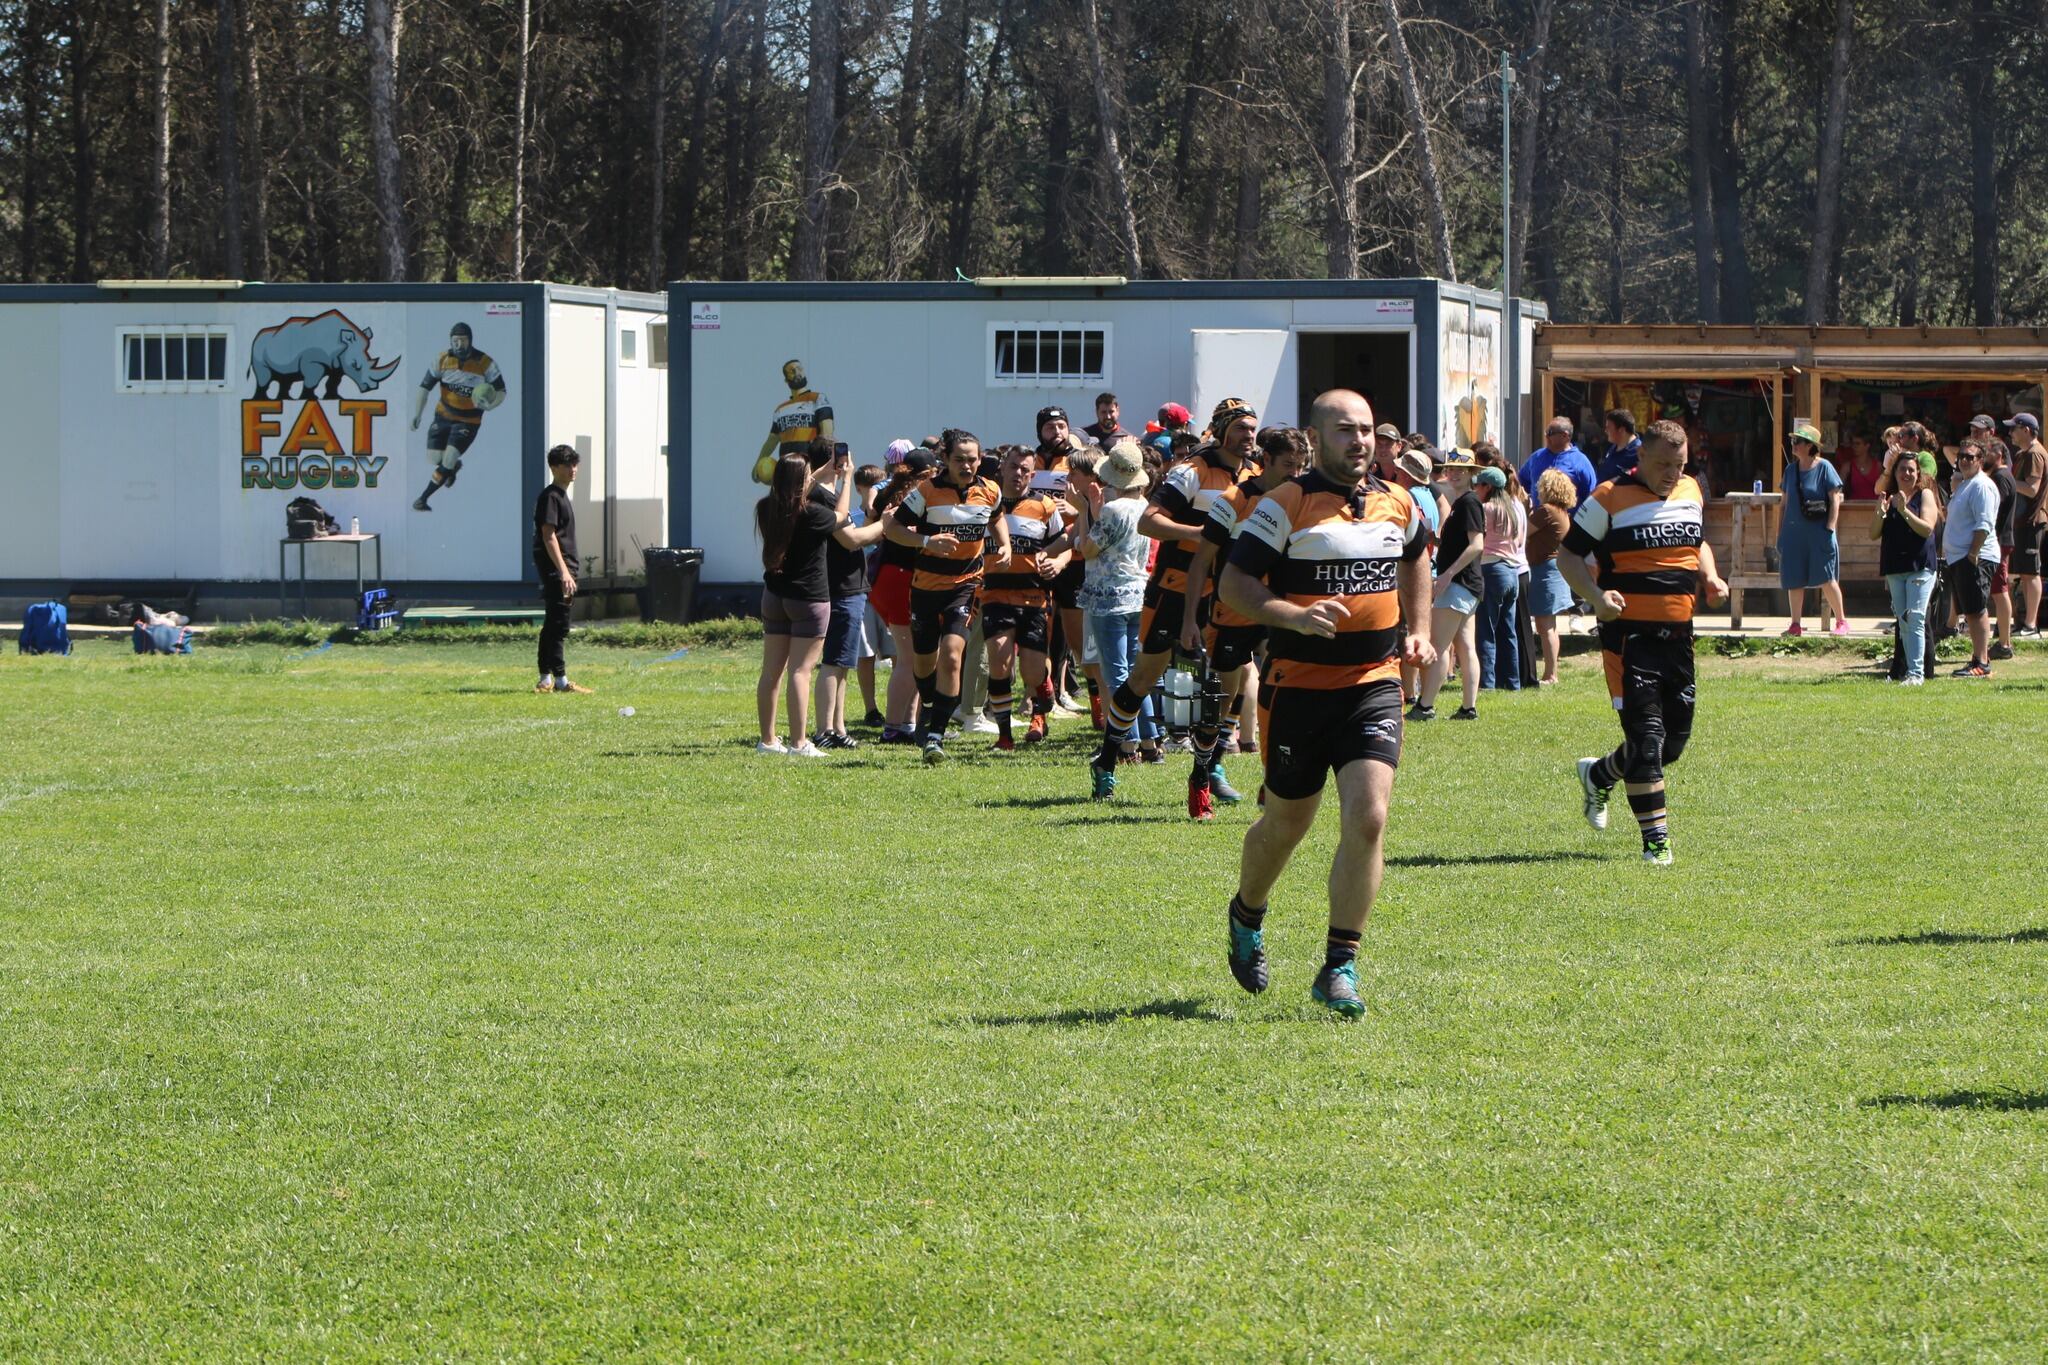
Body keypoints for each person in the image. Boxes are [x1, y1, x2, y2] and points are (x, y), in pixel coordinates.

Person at [1216, 388, 1434, 1019]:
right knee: (1288, 823)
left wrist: (1417, 627)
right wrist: (1293, 614)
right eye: (1346, 429)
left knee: (1369, 818)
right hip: (1298, 689)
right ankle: (1246, 911)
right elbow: (1235, 583)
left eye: (1366, 428)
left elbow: (1418, 557)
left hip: (1375, 684)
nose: (1360, 440)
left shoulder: (1398, 500)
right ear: (1317, 437)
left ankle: (1339, 966)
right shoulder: (1285, 503)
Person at [1560, 419, 1726, 866]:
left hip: (1679, 639)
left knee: (1670, 746)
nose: (1673, 473)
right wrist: (1595, 597)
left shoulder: (1691, 491)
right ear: (1641, 459)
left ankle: (1599, 773)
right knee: (1647, 740)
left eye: (1680, 464)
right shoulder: (1608, 497)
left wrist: (1709, 576)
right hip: (1629, 640)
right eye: (1663, 464)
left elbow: (1699, 542)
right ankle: (1657, 845)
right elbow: (1567, 554)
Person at [1089, 398, 1261, 800]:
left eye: (1253, 428)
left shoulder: (1256, 474)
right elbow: (1150, 521)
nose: (1249, 435)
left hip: (1228, 589)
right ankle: (1108, 758)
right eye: (1241, 428)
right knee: (1146, 676)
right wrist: (1201, 535)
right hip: (1176, 585)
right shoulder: (1191, 471)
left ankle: (1212, 765)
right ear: (1220, 430)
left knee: (1229, 678)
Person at [1178, 425, 1313, 818]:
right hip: (1232, 611)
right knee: (1219, 701)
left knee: (1282, 697)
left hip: (1280, 611)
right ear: (1265, 460)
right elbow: (1201, 560)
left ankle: (1271, 781)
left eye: (1301, 465)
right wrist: (1190, 618)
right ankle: (1201, 774)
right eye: (1288, 464)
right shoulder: (1233, 499)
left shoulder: (1301, 498)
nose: (1295, 472)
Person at [884, 429, 1010, 762]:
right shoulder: (926, 491)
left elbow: (997, 519)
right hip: (925, 587)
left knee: (953, 655)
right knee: (925, 662)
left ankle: (936, 736)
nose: (967, 466)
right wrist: (927, 542)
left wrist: (1005, 544)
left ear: (980, 459)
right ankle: (928, 706)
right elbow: (892, 528)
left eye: (972, 459)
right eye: (959, 460)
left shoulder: (990, 490)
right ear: (945, 460)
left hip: (967, 585)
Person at [1072, 442, 1159, 794]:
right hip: (1139, 592)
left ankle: (1128, 742)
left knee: (1116, 673)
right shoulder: (1144, 505)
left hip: (1109, 597)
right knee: (1139, 672)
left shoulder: (1113, 510)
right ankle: (1151, 739)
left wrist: (1083, 512)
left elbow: (1088, 547)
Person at [980, 447, 1070, 750]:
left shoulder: (1044, 505)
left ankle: (1042, 701)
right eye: (1014, 467)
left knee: (1032, 670)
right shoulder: (985, 504)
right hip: (995, 594)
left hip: (1034, 597)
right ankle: (1004, 736)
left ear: (1032, 475)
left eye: (1025, 470)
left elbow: (1066, 542)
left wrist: (1058, 562)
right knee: (999, 663)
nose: (1019, 474)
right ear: (1002, 469)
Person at [808, 440, 888, 748]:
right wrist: (886, 524)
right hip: (839, 587)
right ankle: (823, 731)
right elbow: (851, 540)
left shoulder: (827, 495)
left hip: (850, 586)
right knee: (834, 662)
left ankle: (838, 729)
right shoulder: (821, 497)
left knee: (843, 663)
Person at [1033, 406, 1102, 722]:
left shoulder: (1079, 461)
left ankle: (1096, 702)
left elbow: (1095, 504)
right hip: (1041, 555)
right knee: (1040, 638)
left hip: (1074, 558)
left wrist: (1072, 508)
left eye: (1062, 426)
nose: (1057, 432)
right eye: (1050, 427)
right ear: (1040, 431)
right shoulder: (1030, 462)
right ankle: (1040, 710)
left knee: (1078, 640)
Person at [1414, 450, 1484, 721]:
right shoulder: (1462, 502)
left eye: (1461, 470)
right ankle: (1468, 707)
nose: (1454, 473)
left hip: (1458, 583)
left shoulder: (1468, 502)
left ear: (1471, 474)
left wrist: (1447, 575)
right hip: (1467, 584)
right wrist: (1437, 540)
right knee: (1466, 647)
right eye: (1451, 469)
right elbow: (1461, 544)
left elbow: (1476, 544)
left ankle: (1425, 706)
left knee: (1438, 645)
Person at [869, 449, 933, 743]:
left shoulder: (893, 494)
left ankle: (907, 724)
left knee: (916, 657)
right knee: (908, 659)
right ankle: (893, 726)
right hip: (898, 578)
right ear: (923, 475)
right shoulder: (907, 501)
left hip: (890, 578)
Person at [412, 322, 507, 511]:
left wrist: (491, 405)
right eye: (455, 341)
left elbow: (501, 391)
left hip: (468, 421)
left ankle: (423, 498)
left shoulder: (484, 362)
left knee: (448, 458)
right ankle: (452, 468)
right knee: (433, 458)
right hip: (443, 416)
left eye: (463, 340)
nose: (459, 345)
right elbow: (424, 387)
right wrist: (417, 414)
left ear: (470, 340)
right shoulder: (442, 359)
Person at [1869, 447, 1939, 685]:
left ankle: (1916, 674)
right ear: (1895, 472)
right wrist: (1880, 513)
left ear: (1918, 474)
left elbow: (1927, 528)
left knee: (1917, 617)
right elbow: (1872, 534)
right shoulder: (1888, 496)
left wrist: (1904, 511)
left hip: (1920, 565)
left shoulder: (1925, 495)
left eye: (1911, 470)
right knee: (1904, 621)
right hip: (1895, 566)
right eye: (1902, 469)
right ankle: (1908, 670)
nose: (1906, 474)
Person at [1778, 421, 1848, 636]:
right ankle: (1795, 624)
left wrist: (1830, 527)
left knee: (1827, 578)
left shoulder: (1825, 467)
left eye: (1797, 441)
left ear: (1809, 445)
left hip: (1819, 531)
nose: (1793, 444)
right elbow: (1784, 503)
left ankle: (1841, 622)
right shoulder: (1790, 470)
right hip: (1793, 533)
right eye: (1792, 440)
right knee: (1794, 578)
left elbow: (1835, 499)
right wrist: (1780, 534)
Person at [1387, 447, 1445, 708]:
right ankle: (1418, 690)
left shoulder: (1407, 497)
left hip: (1411, 572)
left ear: (1405, 474)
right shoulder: (1430, 496)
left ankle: (1409, 693)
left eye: (1399, 470)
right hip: (1429, 570)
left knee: (1407, 634)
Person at [533, 444, 590, 695]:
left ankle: (546, 679)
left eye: (575, 464)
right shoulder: (551, 497)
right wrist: (564, 572)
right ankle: (561, 681)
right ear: (554, 467)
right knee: (558, 624)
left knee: (553, 624)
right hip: (558, 570)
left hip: (564, 568)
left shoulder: (561, 496)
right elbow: (548, 536)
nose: (573, 470)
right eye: (567, 465)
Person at [1941, 439, 2000, 678]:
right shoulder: (1966, 484)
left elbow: (1984, 524)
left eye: (1970, 457)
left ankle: (1982, 662)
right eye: (1961, 456)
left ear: (1981, 460)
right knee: (1970, 610)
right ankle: (1977, 659)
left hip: (1975, 557)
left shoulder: (1981, 486)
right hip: (1961, 558)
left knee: (1976, 610)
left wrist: (1973, 554)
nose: (1964, 460)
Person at [1474, 464, 1527, 691]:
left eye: (1478, 484)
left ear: (1487, 487)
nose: (1476, 488)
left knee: (1486, 629)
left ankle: (1487, 682)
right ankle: (1513, 682)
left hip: (1491, 569)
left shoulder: (1486, 509)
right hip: (1512, 571)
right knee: (1508, 631)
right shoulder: (1513, 508)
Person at [1524, 469, 1577, 686]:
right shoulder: (1562, 512)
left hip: (1546, 570)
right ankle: (1551, 672)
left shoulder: (1546, 511)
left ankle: (1550, 674)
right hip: (1555, 569)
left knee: (1545, 626)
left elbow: (1521, 532)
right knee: (1549, 626)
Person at [753, 358, 833, 485]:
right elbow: (772, 441)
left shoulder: (817, 399)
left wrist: (824, 461)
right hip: (787, 467)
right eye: (791, 371)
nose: (797, 373)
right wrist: (758, 463)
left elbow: (827, 432)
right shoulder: (781, 409)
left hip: (809, 466)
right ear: (786, 379)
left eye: (799, 369)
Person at [2005, 413, 2046, 636]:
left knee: (2031, 572)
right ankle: (2021, 622)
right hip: (2021, 521)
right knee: (2021, 572)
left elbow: (2031, 488)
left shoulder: (2035, 454)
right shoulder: (2023, 454)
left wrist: (2006, 480)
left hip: (2032, 521)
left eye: (2014, 428)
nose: (2010, 433)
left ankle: (2031, 625)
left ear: (2027, 430)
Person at [1519, 416, 1598, 508]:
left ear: (1565, 436)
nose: (1546, 436)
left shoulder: (1580, 462)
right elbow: (1522, 480)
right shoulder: (1537, 457)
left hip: (1567, 520)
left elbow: (1590, 495)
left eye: (1550, 433)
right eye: (1546, 432)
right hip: (1537, 519)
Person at [1987, 439, 2018, 660]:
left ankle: (2004, 643)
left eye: (1988, 451)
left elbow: (1994, 509)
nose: (1983, 455)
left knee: (2000, 590)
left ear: (1999, 454)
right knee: (1999, 590)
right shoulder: (2000, 476)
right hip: (2000, 540)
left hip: (1999, 540)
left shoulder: (2001, 477)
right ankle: (2004, 640)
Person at [1595, 408, 1641, 485]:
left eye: (1608, 427)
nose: (1605, 431)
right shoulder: (1613, 447)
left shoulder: (1639, 454)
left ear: (1622, 430)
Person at [1842, 434, 1883, 500]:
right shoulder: (1848, 466)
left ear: (1867, 446)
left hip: (1874, 506)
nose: (1854, 446)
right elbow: (1838, 489)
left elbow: (1885, 488)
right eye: (1853, 444)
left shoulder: (1878, 466)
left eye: (1857, 444)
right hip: (1854, 506)